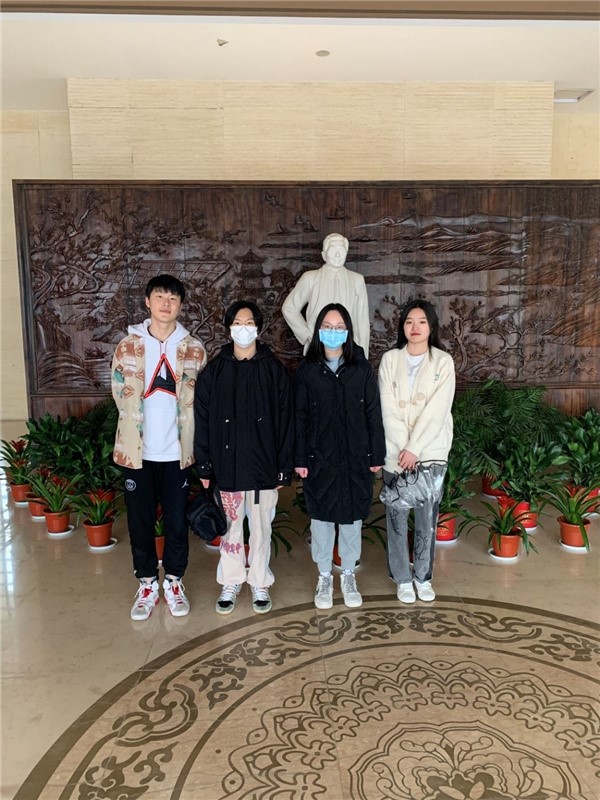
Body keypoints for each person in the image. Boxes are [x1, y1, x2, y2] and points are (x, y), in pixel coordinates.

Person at [111, 274, 207, 621]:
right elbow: (118, 390)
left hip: (177, 453)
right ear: (148, 302)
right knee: (140, 521)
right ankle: (148, 583)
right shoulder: (128, 346)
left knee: (177, 521)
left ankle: (175, 581)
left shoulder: (194, 349)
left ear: (181, 305)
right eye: (160, 297)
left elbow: (202, 399)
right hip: (137, 452)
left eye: (173, 298)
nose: (166, 304)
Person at [194, 300, 293, 615]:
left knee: (262, 528)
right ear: (228, 328)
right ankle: (231, 580)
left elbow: (286, 421)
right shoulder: (215, 371)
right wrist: (204, 465)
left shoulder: (273, 370)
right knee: (231, 529)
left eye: (249, 322)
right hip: (227, 467)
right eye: (237, 323)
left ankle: (260, 581)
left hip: (264, 466)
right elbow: (202, 420)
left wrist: (283, 468)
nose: (243, 328)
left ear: (258, 328)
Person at [294, 303, 385, 610]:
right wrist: (300, 458)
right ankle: (324, 576)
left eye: (339, 327)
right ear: (318, 331)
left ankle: (348, 574)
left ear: (348, 331)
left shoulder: (361, 369)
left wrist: (376, 454)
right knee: (321, 520)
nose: (333, 332)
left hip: (354, 456)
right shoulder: (308, 371)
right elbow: (299, 416)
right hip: (318, 457)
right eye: (327, 327)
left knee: (350, 520)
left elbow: (373, 413)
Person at [378, 299, 455, 604]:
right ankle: (402, 578)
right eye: (409, 321)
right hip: (396, 453)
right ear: (402, 326)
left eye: (422, 321)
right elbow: (387, 407)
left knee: (427, 519)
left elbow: (438, 410)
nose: (415, 327)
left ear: (431, 326)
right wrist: (404, 449)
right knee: (396, 517)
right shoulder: (390, 359)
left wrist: (415, 448)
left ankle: (423, 577)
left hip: (430, 451)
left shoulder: (443, 362)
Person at [282, 233, 371, 356]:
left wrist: (363, 355)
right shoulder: (310, 278)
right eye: (333, 250)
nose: (338, 254)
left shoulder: (357, 280)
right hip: (317, 349)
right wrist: (308, 335)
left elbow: (362, 321)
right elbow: (289, 308)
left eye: (341, 250)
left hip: (349, 349)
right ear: (324, 255)